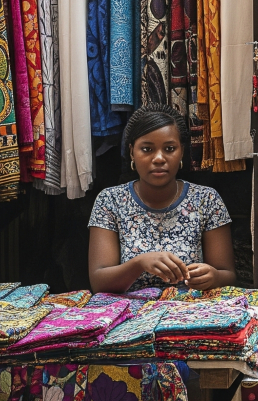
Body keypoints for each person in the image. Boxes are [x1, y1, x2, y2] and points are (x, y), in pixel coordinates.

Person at [88, 104, 237, 293]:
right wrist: (140, 263)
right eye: (147, 149)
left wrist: (213, 277)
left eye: (169, 148)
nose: (159, 158)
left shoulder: (206, 200)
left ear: (181, 151)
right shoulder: (110, 201)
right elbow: (99, 283)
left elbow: (228, 275)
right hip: (129, 317)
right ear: (132, 151)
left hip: (190, 313)